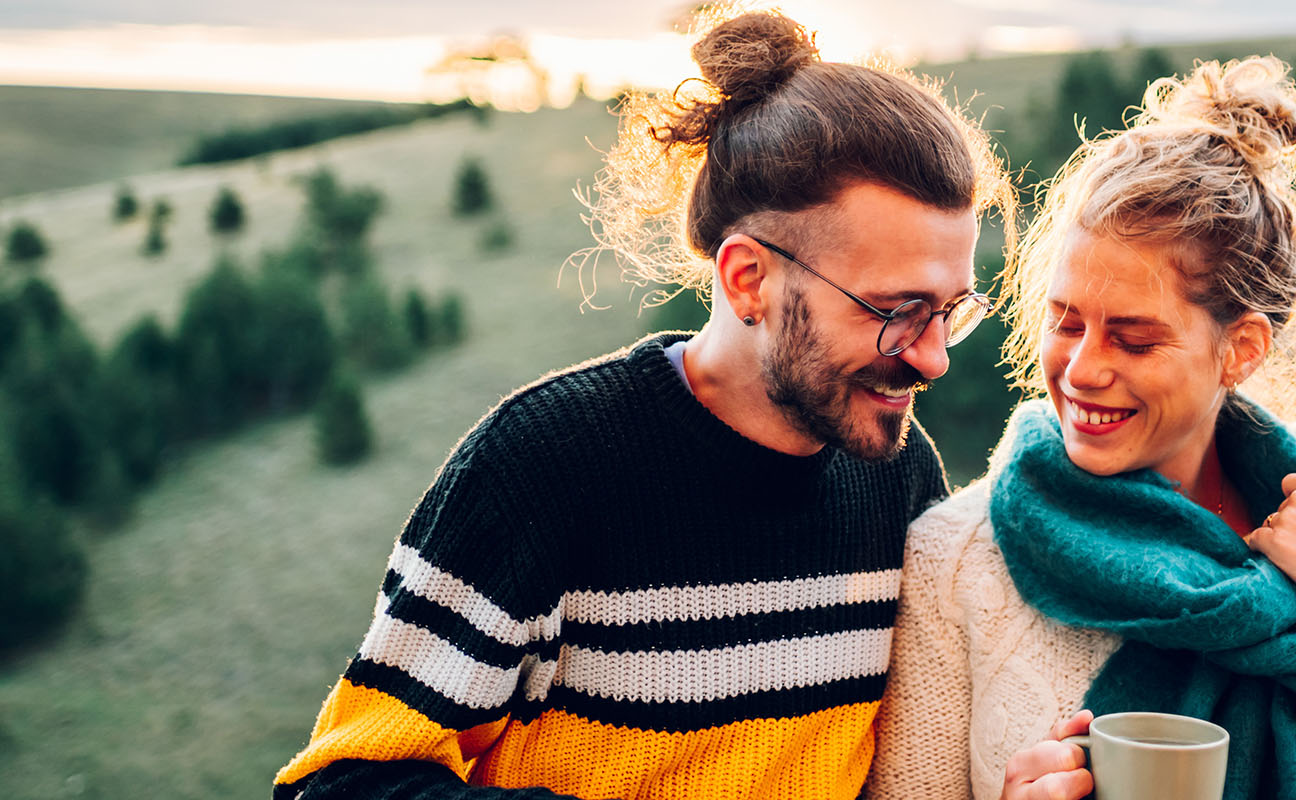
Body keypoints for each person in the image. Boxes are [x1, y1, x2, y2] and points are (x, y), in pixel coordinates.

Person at [272, 10, 1011, 800]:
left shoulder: (897, 479)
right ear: (748, 279)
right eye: (895, 311)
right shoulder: (546, 464)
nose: (930, 357)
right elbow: (342, 784)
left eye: (950, 311)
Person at [864, 57, 1296, 800]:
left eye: (1133, 339)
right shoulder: (961, 560)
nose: (1080, 371)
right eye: (1066, 323)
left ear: (1241, 349)